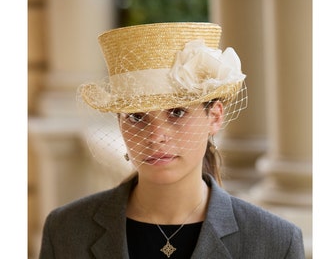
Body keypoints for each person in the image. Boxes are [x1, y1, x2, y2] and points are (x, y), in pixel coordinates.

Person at [39, 22, 305, 258]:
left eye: (177, 113)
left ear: (214, 116)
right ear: (120, 123)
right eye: (136, 117)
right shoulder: (65, 230)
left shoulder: (275, 243)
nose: (156, 137)